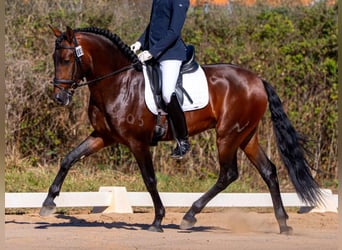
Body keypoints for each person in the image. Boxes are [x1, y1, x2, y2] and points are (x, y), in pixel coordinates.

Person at [131, 0, 191, 159]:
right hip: (153, 53)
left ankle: (183, 139)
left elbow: (173, 32)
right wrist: (139, 42)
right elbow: (153, 25)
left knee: (167, 93)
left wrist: (152, 52)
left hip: (170, 55)